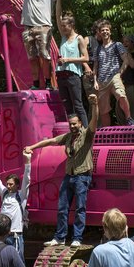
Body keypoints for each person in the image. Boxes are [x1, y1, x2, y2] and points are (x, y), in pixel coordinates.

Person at [24, 94, 99, 247]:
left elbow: (94, 122)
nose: (72, 126)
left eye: (74, 124)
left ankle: (77, 238)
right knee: (62, 208)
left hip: (82, 177)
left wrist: (95, 105)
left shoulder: (87, 135)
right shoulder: (68, 137)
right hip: (69, 176)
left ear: (80, 123)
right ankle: (60, 237)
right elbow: (51, 141)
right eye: (70, 124)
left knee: (80, 209)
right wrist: (32, 147)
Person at [2, 0, 68, 90]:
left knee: (45, 56)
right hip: (28, 28)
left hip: (43, 27)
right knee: (32, 58)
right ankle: (36, 83)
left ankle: (49, 83)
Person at [92, 20, 134, 127]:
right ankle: (107, 131)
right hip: (102, 81)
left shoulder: (117, 45)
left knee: (121, 95)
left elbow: (126, 60)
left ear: (110, 32)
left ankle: (129, 118)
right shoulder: (97, 49)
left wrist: (119, 74)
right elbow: (95, 66)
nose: (105, 32)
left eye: (107, 30)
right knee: (104, 110)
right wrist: (95, 81)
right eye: (102, 30)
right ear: (99, 32)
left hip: (114, 76)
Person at [55, 0, 89, 127]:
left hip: (73, 76)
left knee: (78, 105)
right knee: (67, 107)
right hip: (61, 75)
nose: (62, 28)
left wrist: (68, 60)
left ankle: (87, 131)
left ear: (72, 25)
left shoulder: (78, 38)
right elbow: (57, 16)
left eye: (65, 26)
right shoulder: (63, 37)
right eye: (62, 26)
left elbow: (85, 58)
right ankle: (73, 131)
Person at [115, 35, 134, 125]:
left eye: (127, 42)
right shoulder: (121, 56)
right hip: (120, 84)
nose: (124, 44)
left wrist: (127, 53)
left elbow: (133, 65)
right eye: (123, 42)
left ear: (132, 43)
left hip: (131, 85)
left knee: (133, 107)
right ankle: (122, 127)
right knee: (119, 108)